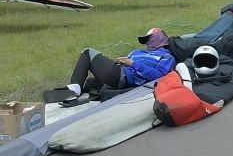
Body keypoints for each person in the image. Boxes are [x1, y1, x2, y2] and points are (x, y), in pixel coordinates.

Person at [43, 27, 175, 104]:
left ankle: (74, 89)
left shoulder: (166, 57)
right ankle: (71, 94)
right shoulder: (139, 52)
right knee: (89, 83)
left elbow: (159, 76)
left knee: (88, 52)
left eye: (148, 39)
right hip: (119, 72)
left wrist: (133, 64)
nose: (146, 43)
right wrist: (122, 61)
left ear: (158, 39)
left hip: (124, 77)